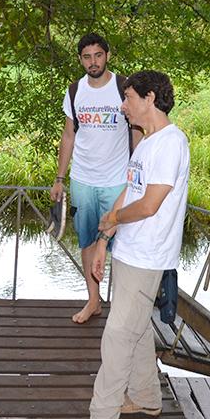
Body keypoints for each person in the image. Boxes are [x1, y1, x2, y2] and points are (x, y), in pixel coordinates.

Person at [73, 70, 190, 419]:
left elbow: (151, 204)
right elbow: (130, 189)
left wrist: (115, 220)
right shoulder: (146, 142)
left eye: (128, 98)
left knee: (118, 335)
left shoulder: (171, 144)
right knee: (134, 330)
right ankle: (145, 397)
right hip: (129, 250)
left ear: (150, 98)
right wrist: (106, 237)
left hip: (149, 256)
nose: (123, 106)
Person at [50, 33, 141, 324]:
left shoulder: (123, 87)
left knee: (122, 243)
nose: (93, 62)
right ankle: (93, 300)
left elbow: (137, 130)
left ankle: (124, 307)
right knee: (88, 241)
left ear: (107, 55)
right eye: (87, 57)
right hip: (83, 179)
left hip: (117, 181)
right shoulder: (75, 91)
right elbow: (68, 135)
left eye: (98, 55)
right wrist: (59, 177)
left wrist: (136, 174)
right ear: (80, 60)